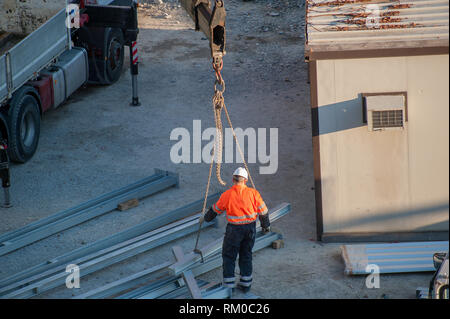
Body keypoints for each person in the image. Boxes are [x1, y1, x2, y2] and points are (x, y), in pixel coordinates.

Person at [199, 167, 270, 293]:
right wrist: (265, 226)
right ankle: (246, 284)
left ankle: (228, 287)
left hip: (234, 230)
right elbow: (263, 211)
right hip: (250, 229)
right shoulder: (254, 193)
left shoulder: (227, 195)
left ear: (233, 179)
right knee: (246, 255)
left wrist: (205, 218)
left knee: (229, 256)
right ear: (246, 180)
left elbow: (215, 210)